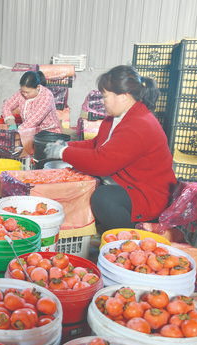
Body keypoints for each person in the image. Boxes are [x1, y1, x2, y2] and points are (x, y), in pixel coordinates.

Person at [44, 65, 177, 232]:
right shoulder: (113, 119)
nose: (102, 101)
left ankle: (133, 235)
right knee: (79, 179)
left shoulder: (140, 124)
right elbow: (96, 145)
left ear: (123, 96)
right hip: (124, 183)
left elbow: (102, 162)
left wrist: (64, 153)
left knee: (103, 198)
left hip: (144, 195)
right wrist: (66, 146)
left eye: (105, 96)